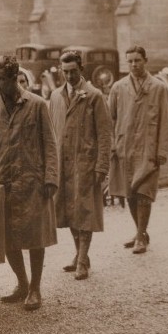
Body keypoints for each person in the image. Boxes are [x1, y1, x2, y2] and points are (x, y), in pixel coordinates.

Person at [0, 54, 58, 311]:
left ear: (14, 78)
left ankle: (35, 287)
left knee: (36, 236)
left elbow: (50, 145)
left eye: (1, 79)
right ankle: (21, 283)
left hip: (32, 180)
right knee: (8, 237)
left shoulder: (36, 105)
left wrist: (51, 177)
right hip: (3, 182)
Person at [48, 50, 112, 281]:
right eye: (65, 72)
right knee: (67, 211)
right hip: (62, 163)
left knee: (84, 210)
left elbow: (105, 135)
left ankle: (83, 260)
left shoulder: (94, 96)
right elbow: (51, 131)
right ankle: (79, 254)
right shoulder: (55, 96)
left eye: (73, 71)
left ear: (81, 69)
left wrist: (101, 166)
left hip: (85, 163)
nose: (69, 76)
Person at [108, 45, 168, 255]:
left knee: (144, 192)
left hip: (148, 148)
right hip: (125, 147)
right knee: (130, 194)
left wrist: (161, 151)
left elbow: (165, 122)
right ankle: (140, 232)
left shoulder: (159, 88)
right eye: (130, 61)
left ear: (146, 60)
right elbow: (111, 119)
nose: (134, 65)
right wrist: (112, 145)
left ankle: (141, 236)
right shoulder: (118, 87)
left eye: (138, 60)